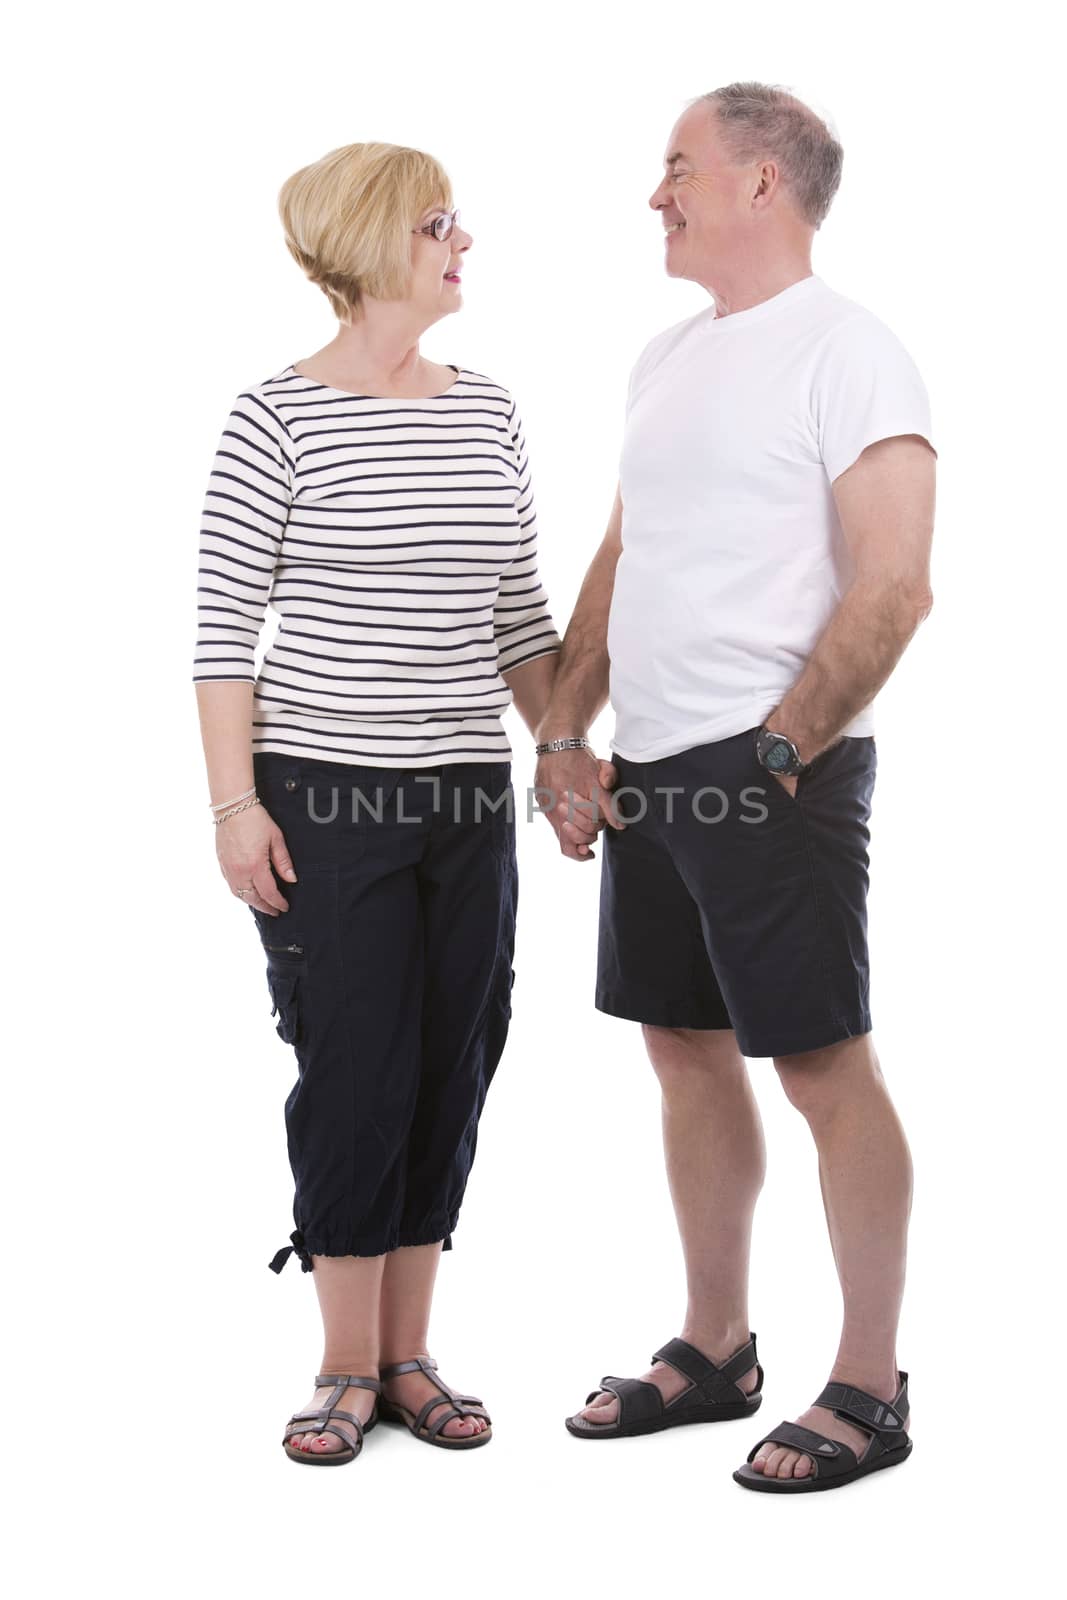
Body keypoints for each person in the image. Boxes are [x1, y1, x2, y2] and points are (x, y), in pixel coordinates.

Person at [535, 81, 936, 1493]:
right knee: (681, 1046)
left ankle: (870, 1386)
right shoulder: (665, 359)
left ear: (763, 183)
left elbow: (895, 584)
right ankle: (718, 1347)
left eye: (679, 166)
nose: (658, 192)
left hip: (776, 772)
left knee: (821, 1063)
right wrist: (566, 734)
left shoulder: (852, 354)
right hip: (650, 765)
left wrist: (780, 751)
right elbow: (621, 556)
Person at [192, 141, 562, 1464]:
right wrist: (236, 808)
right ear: (367, 241)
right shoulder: (275, 418)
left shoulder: (491, 411)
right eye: (437, 223)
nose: (464, 242)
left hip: (467, 791)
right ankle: (343, 1362)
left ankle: (409, 1355)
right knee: (356, 1066)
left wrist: (566, 747)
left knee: (454, 1063)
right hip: (323, 796)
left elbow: (519, 615)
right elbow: (226, 635)